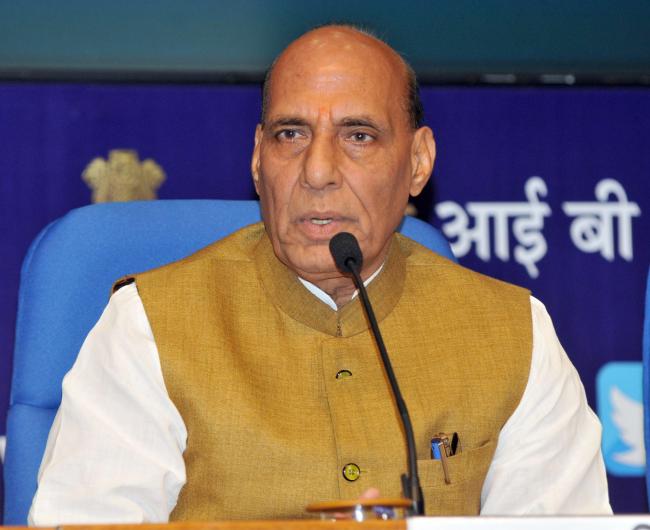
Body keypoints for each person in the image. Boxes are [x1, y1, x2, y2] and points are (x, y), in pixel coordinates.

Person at [28, 25, 611, 524]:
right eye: (291, 134)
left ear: (418, 163)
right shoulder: (147, 327)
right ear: (258, 159)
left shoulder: (515, 333)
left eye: (358, 136)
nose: (318, 170)